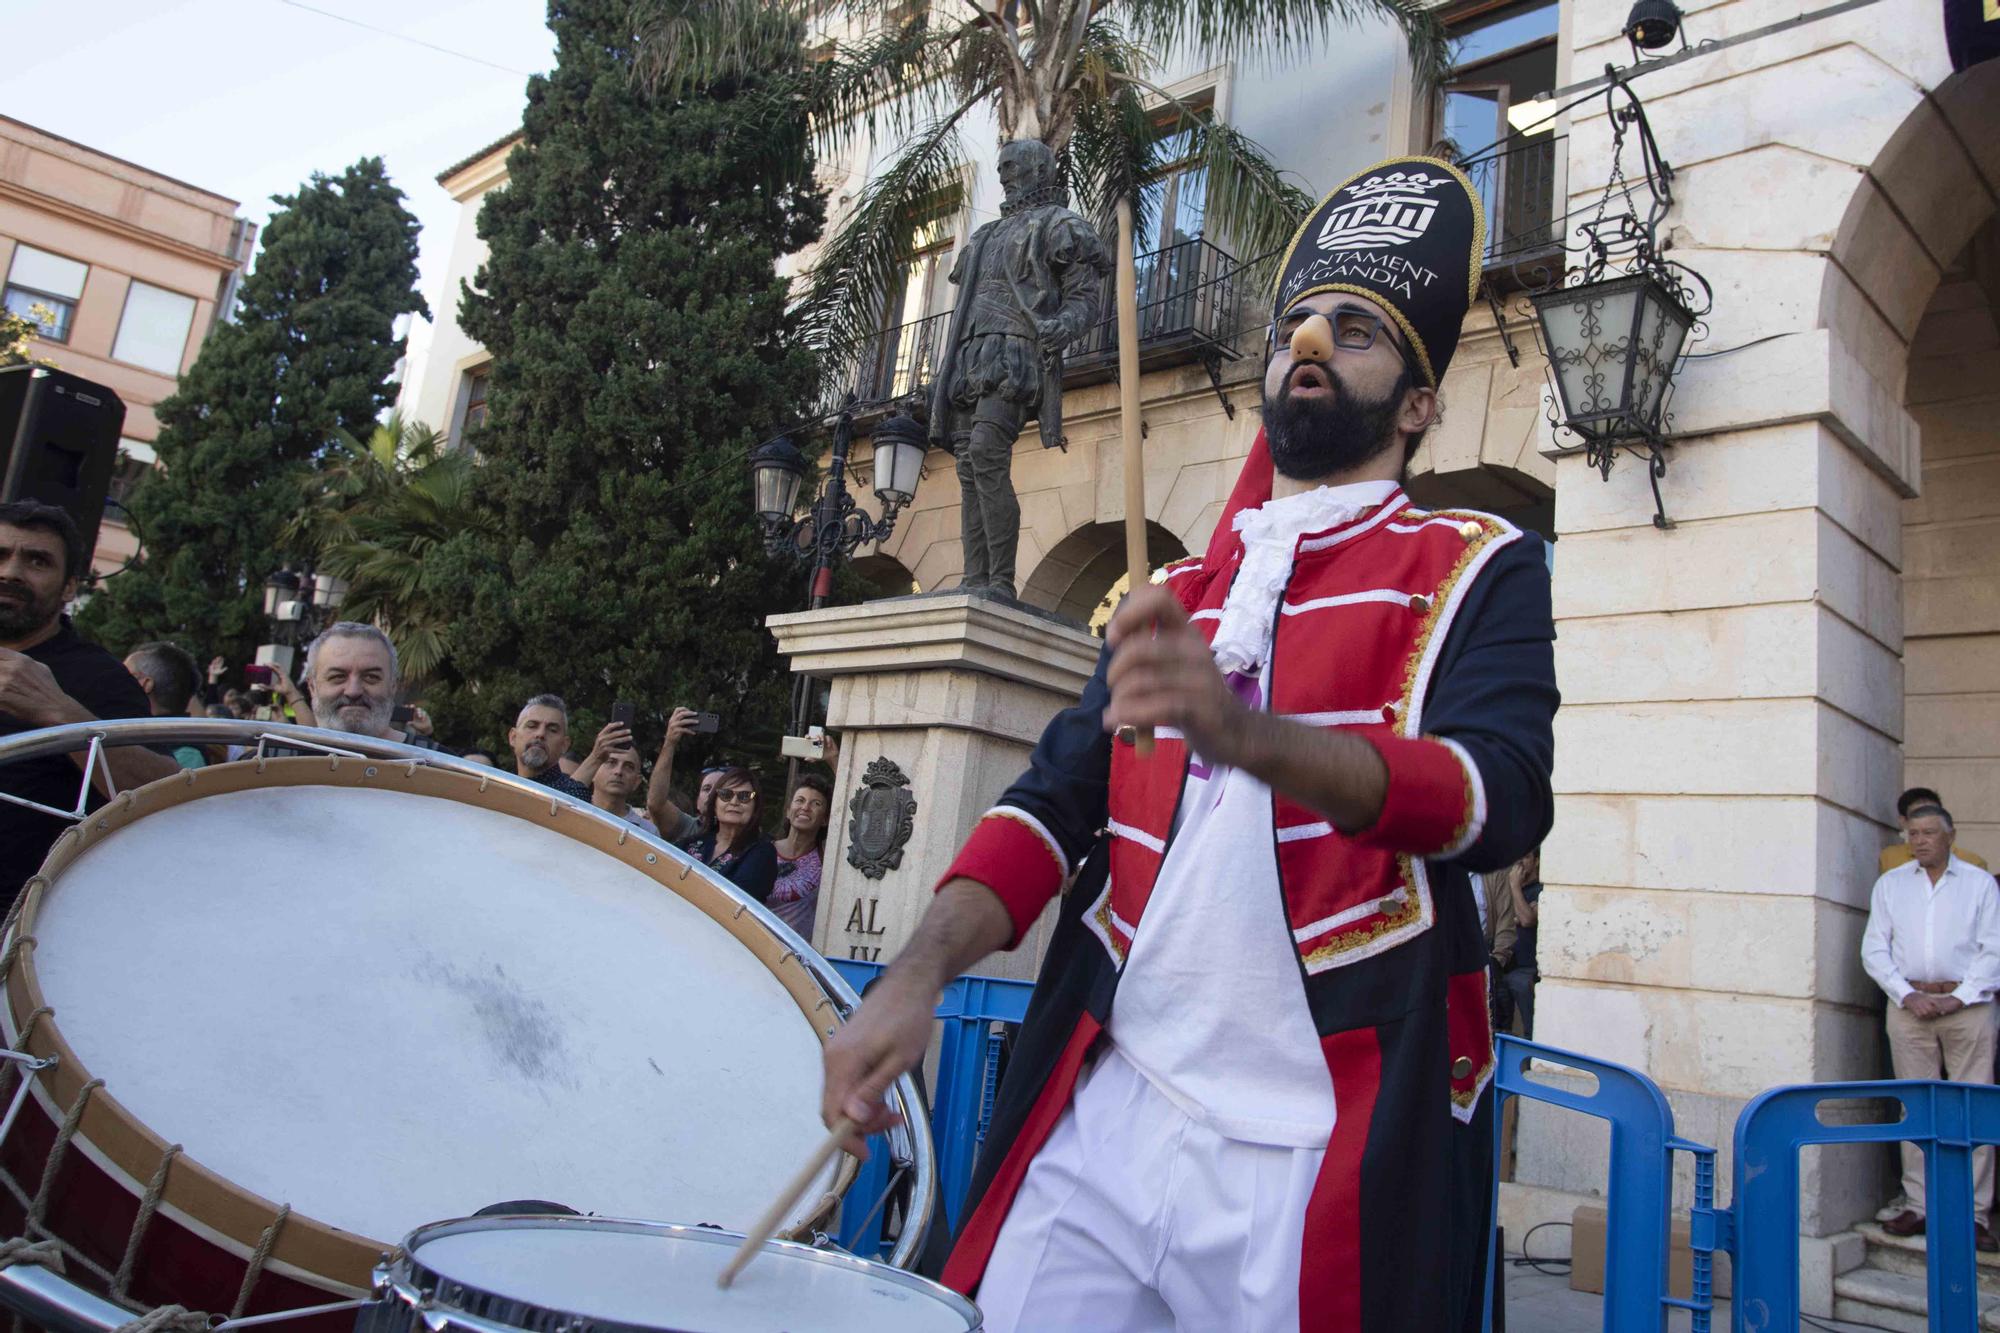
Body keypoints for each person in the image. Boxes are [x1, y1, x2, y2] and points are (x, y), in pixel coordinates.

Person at [821, 157, 1556, 1332]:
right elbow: (1048, 807)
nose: (1309, 340)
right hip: (1110, 1106)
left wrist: (1242, 733)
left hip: (1319, 1135)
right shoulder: (1173, 590)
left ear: (1417, 403)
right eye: (1294, 324)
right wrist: (910, 981)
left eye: (1354, 330)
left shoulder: (1476, 564)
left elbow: (1498, 797)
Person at [0, 501, 178, 915]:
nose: (11, 572)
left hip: (23, 928)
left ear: (68, 588)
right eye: (1, 555)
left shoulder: (99, 678)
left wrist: (61, 714)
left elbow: (167, 793)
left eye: (37, 561)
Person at [1862, 804, 2000, 1249]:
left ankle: (1973, 1212)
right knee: (1915, 1106)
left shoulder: (1979, 885)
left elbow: (1993, 948)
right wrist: (1908, 995)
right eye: (1912, 833)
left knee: (1972, 1105)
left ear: (1950, 835)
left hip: (1969, 1003)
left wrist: (1958, 996)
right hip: (1910, 1006)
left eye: (1927, 833)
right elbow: (1875, 950)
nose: (1918, 840)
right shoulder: (1891, 885)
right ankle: (1919, 1205)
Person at [301, 623, 445, 751]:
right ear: (312, 686)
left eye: (371, 677)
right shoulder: (281, 759)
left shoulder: (441, 767)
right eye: (338, 677)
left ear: (392, 686)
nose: (353, 691)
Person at [690, 766, 777, 902]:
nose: (734, 802)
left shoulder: (762, 852)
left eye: (744, 796)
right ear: (714, 804)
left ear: (755, 807)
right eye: (726, 794)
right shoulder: (691, 843)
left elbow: (736, 901)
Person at [123, 641, 207, 769]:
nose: (116, 680)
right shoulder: (131, 738)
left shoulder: (186, 756)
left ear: (144, 684)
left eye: (124, 674)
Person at [644, 706, 719, 848]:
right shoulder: (687, 827)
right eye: (707, 788)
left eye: (721, 790)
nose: (713, 794)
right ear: (697, 802)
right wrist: (670, 743)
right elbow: (655, 803)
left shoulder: (752, 843)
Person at [770, 774, 832, 936]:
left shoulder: (827, 859)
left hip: (797, 954)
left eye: (816, 803)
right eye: (800, 800)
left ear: (825, 819)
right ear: (788, 811)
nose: (805, 807)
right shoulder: (763, 851)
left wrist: (833, 760)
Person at [1882, 786, 1988, 873]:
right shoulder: (1889, 858)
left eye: (1928, 832)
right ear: (1903, 821)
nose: (1921, 841)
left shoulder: (1973, 862)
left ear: (1951, 835)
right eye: (1918, 815)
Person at [510, 695, 590, 798]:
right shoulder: (495, 785)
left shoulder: (573, 796)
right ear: (513, 737)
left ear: (564, 745)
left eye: (552, 730)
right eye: (532, 726)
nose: (540, 734)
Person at [1502, 848, 1543, 1037]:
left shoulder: (1540, 890)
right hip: (1507, 965)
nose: (1520, 862)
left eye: (1525, 856)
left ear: (1536, 861)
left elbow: (1526, 919)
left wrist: (1515, 886)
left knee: (1531, 1029)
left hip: (1528, 969)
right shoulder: (1508, 889)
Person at [588, 741, 655, 835]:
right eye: (611, 762)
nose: (618, 771)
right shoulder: (572, 809)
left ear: (637, 782)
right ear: (594, 771)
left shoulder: (647, 832)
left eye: (628, 767)